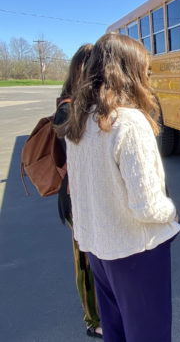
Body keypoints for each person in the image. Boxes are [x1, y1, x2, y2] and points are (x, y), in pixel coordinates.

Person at [56, 33, 180, 342]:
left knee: (116, 330)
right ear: (130, 71)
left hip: (99, 247)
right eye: (146, 70)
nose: (148, 77)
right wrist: (172, 211)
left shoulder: (80, 120)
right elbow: (149, 206)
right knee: (149, 333)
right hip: (135, 249)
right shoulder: (129, 122)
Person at [54, 43, 103, 339]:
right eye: (96, 66)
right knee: (85, 261)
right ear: (82, 69)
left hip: (94, 196)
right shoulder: (67, 110)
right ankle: (92, 318)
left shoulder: (91, 105)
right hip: (76, 199)